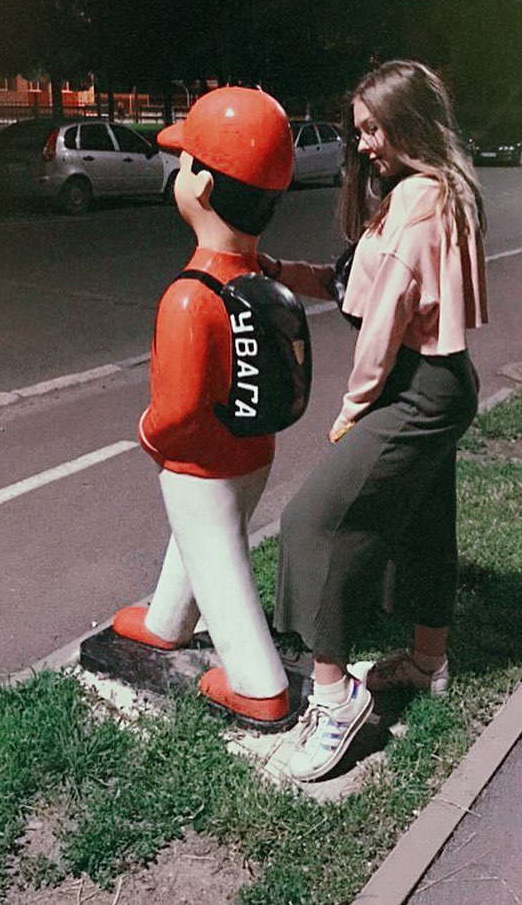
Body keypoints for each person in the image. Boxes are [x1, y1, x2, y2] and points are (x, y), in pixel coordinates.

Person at [259, 59, 488, 780]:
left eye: (374, 129)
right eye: (357, 131)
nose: (363, 145)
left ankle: (335, 701)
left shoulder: (417, 197)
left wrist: (352, 409)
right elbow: (349, 280)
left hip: (414, 386)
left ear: (409, 122)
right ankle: (426, 662)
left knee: (313, 521)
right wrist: (279, 270)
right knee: (424, 522)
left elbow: (383, 318)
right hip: (442, 382)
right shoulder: (437, 189)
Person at [111, 86, 296, 727]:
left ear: (205, 186)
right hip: (253, 449)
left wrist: (149, 432)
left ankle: (258, 682)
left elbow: (181, 409)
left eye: (186, 163)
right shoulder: (255, 276)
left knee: (218, 558)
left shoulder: (190, 296)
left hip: (201, 463)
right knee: (202, 539)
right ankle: (168, 620)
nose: (178, 172)